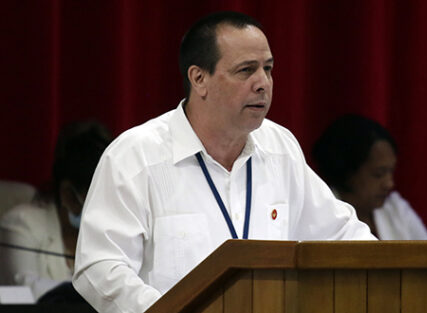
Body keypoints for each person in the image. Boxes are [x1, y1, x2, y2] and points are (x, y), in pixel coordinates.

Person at [73, 11, 377, 313]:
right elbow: (100, 267)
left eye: (268, 69)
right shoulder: (136, 155)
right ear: (199, 78)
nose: (263, 84)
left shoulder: (280, 148)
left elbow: (343, 237)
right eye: (246, 70)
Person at [0, 121, 112, 301]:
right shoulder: (21, 224)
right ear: (68, 195)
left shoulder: (113, 234)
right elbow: (25, 292)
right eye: (97, 197)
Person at [312, 114, 427, 240]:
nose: (389, 183)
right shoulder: (321, 216)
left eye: (391, 171)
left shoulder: (396, 211)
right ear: (347, 173)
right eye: (378, 174)